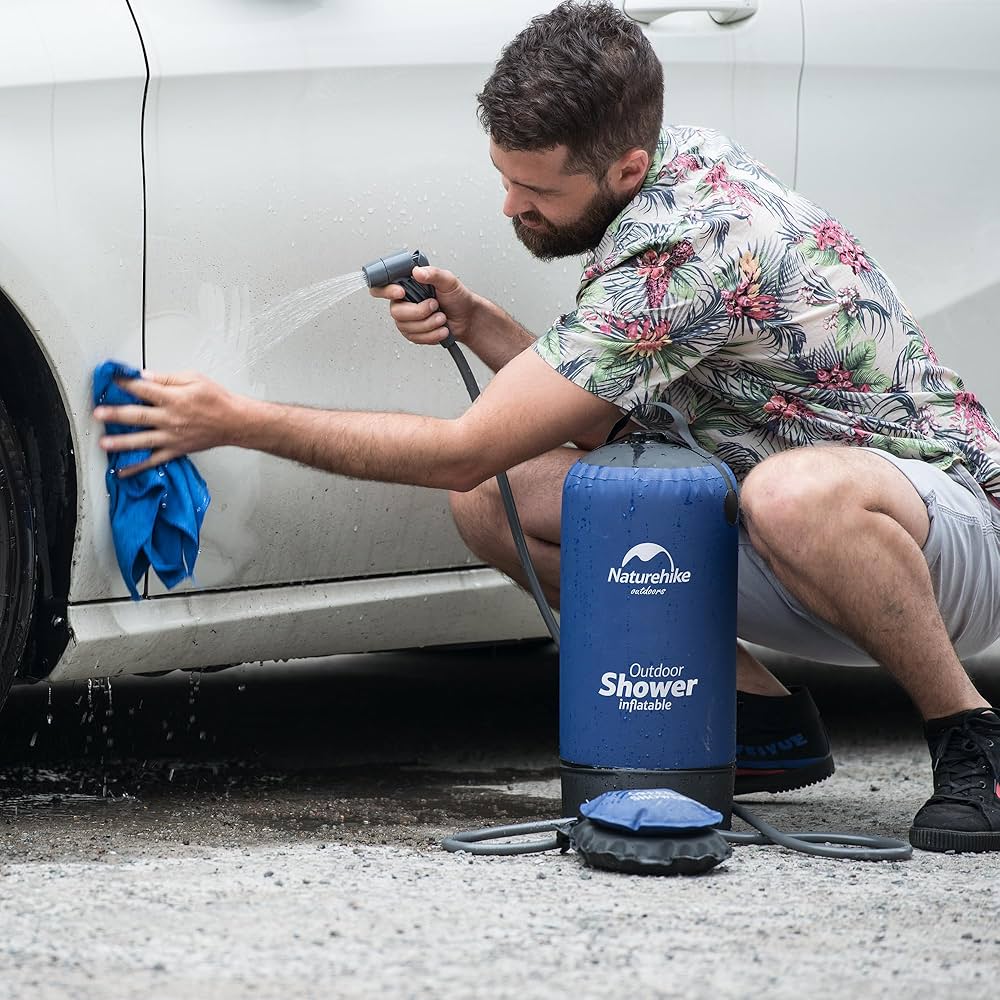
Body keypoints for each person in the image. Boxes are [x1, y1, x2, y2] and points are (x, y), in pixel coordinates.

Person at [93, 1, 1000, 853]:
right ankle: (755, 720)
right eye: (503, 177)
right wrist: (479, 322)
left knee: (789, 492)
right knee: (498, 498)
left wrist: (234, 420)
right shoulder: (666, 166)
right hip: (785, 539)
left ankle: (973, 742)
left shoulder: (688, 252)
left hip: (935, 542)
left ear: (624, 170)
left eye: (534, 188)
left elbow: (464, 446)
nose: (511, 207)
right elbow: (597, 417)